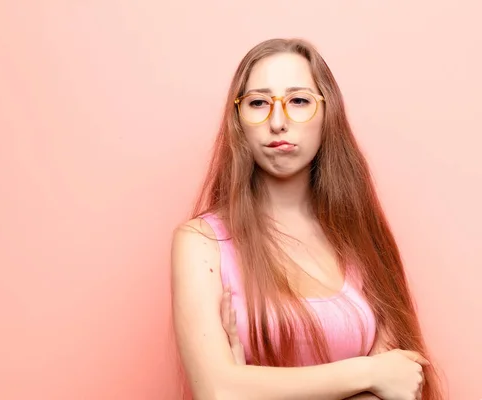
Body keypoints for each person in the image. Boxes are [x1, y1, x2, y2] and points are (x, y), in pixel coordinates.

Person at [170, 38, 443, 400]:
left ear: (328, 114)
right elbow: (217, 391)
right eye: (258, 103)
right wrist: (365, 372)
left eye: (299, 101)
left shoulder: (360, 239)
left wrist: (252, 385)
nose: (278, 122)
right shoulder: (200, 243)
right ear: (238, 121)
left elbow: (400, 385)